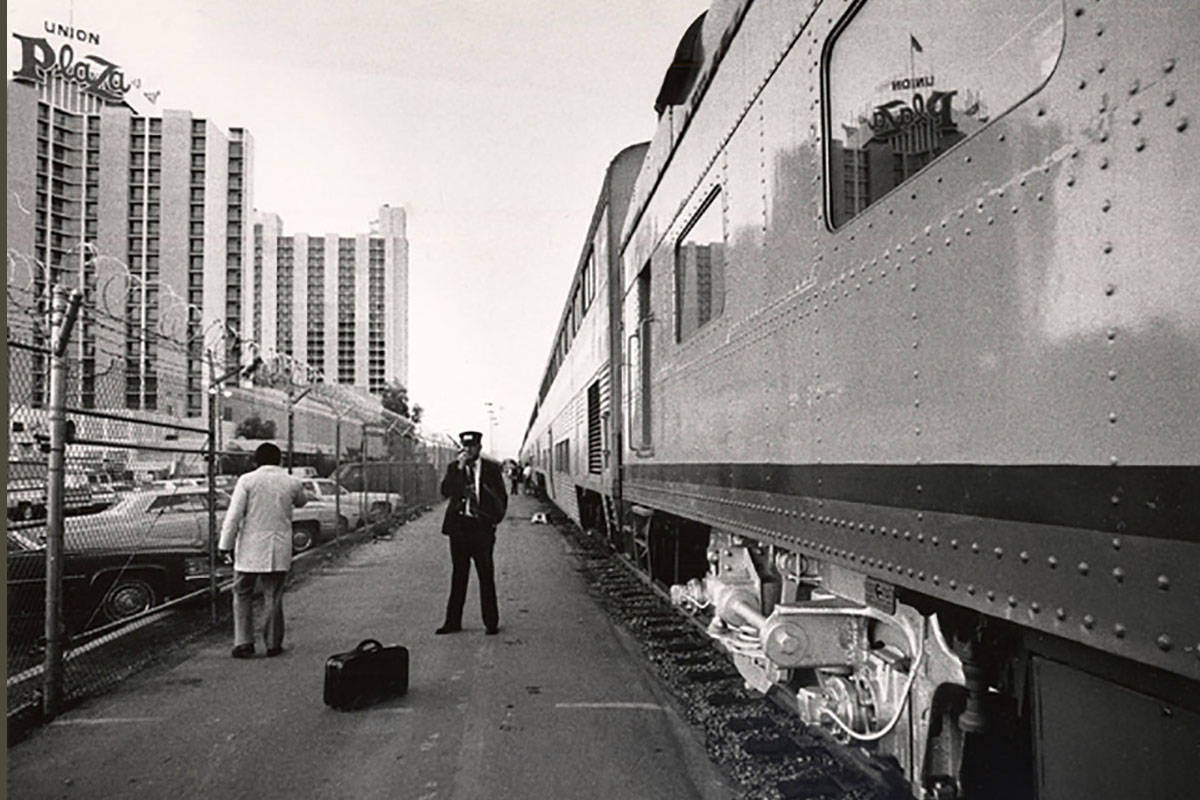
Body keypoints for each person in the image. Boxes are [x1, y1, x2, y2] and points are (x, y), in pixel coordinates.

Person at [218, 442, 308, 658]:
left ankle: (243, 642)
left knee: (242, 592)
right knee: (273, 594)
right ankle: (272, 643)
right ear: (280, 460)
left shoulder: (247, 481)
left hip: (250, 547)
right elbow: (302, 502)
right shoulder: (292, 482)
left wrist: (225, 545)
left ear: (255, 460)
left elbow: (234, 516)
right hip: (278, 546)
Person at [437, 430, 508, 635]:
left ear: (479, 448)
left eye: (472, 447)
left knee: (486, 574)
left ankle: (491, 622)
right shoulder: (454, 468)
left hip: (481, 529)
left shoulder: (491, 469)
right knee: (459, 574)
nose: (468, 450)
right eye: (465, 446)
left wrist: (494, 521)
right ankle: (452, 622)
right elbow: (446, 491)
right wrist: (459, 468)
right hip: (459, 527)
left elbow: (501, 497)